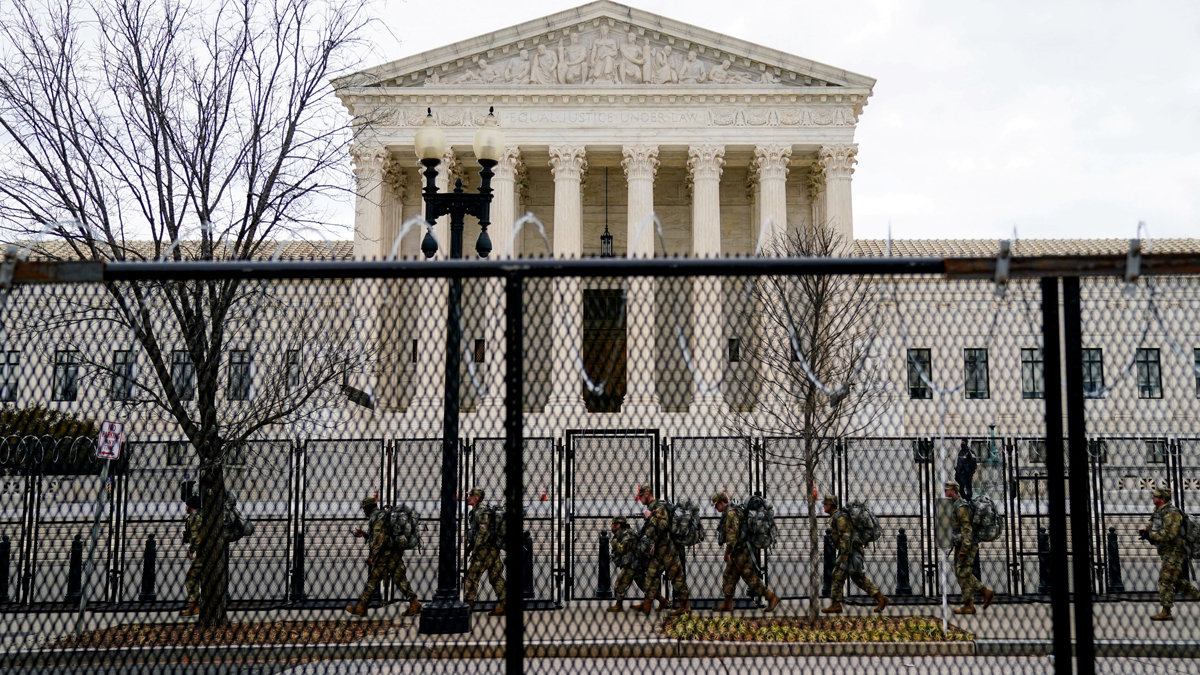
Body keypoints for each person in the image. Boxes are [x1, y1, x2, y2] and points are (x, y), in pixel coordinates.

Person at [345, 496, 422, 617]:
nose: (363, 511)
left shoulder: (377, 517)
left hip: (384, 555)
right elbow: (378, 535)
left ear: (368, 508)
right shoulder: (380, 516)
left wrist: (372, 556)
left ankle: (363, 607)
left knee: (374, 579)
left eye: (364, 508)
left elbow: (379, 539)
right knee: (399, 578)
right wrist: (364, 534)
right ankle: (415, 603)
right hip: (392, 553)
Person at [711, 492, 780, 612]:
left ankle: (771, 597)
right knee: (729, 577)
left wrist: (728, 553)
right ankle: (728, 603)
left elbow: (732, 536)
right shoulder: (732, 511)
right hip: (737, 551)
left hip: (740, 552)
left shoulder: (732, 513)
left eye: (716, 505)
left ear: (722, 502)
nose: (716, 508)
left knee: (750, 577)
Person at [1139, 487, 1200, 621]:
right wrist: (1146, 532)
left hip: (1175, 551)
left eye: (1155, 496)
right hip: (1166, 551)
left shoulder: (1172, 514)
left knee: (1165, 580)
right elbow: (1153, 526)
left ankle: (1166, 611)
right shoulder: (1158, 511)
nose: (1152, 498)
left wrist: (1151, 535)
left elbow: (1170, 535)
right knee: (1177, 581)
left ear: (1162, 499)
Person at [821, 495, 889, 614]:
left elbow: (846, 536)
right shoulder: (837, 516)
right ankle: (880, 598)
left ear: (830, 505)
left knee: (837, 575)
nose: (823, 506)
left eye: (825, 504)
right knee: (858, 578)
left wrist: (845, 554)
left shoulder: (840, 518)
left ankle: (836, 604)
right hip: (852, 551)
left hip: (850, 552)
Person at [631, 484, 690, 616]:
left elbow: (663, 525)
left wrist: (649, 517)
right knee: (651, 576)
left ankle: (685, 607)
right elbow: (656, 531)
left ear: (647, 495)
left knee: (677, 578)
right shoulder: (652, 508)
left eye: (641, 497)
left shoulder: (659, 507)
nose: (640, 500)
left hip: (668, 550)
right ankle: (646, 605)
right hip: (658, 549)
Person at [946, 481, 994, 614]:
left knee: (963, 573)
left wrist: (964, 550)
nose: (945, 492)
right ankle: (984, 592)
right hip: (960, 544)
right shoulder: (954, 505)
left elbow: (967, 530)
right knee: (962, 572)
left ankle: (970, 604)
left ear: (954, 491)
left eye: (948, 490)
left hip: (967, 545)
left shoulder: (961, 507)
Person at [605, 515, 665, 613]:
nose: (611, 526)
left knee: (619, 583)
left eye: (612, 524)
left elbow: (622, 549)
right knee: (644, 585)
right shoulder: (622, 533)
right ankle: (662, 600)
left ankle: (618, 605)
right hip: (634, 563)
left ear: (618, 525)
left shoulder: (627, 534)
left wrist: (614, 543)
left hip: (632, 565)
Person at [464, 487, 506, 616]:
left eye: (470, 496)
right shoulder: (476, 511)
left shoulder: (481, 512)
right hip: (491, 550)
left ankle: (467, 606)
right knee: (496, 577)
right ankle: (505, 604)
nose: (467, 498)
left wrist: (476, 548)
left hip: (484, 550)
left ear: (476, 498)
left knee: (471, 577)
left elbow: (484, 531)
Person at [180, 495, 203, 617]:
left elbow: (196, 537)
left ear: (190, 506)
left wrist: (191, 551)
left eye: (186, 504)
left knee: (191, 579)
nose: (185, 507)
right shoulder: (200, 515)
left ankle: (194, 606)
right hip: (206, 553)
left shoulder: (194, 517)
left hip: (202, 554)